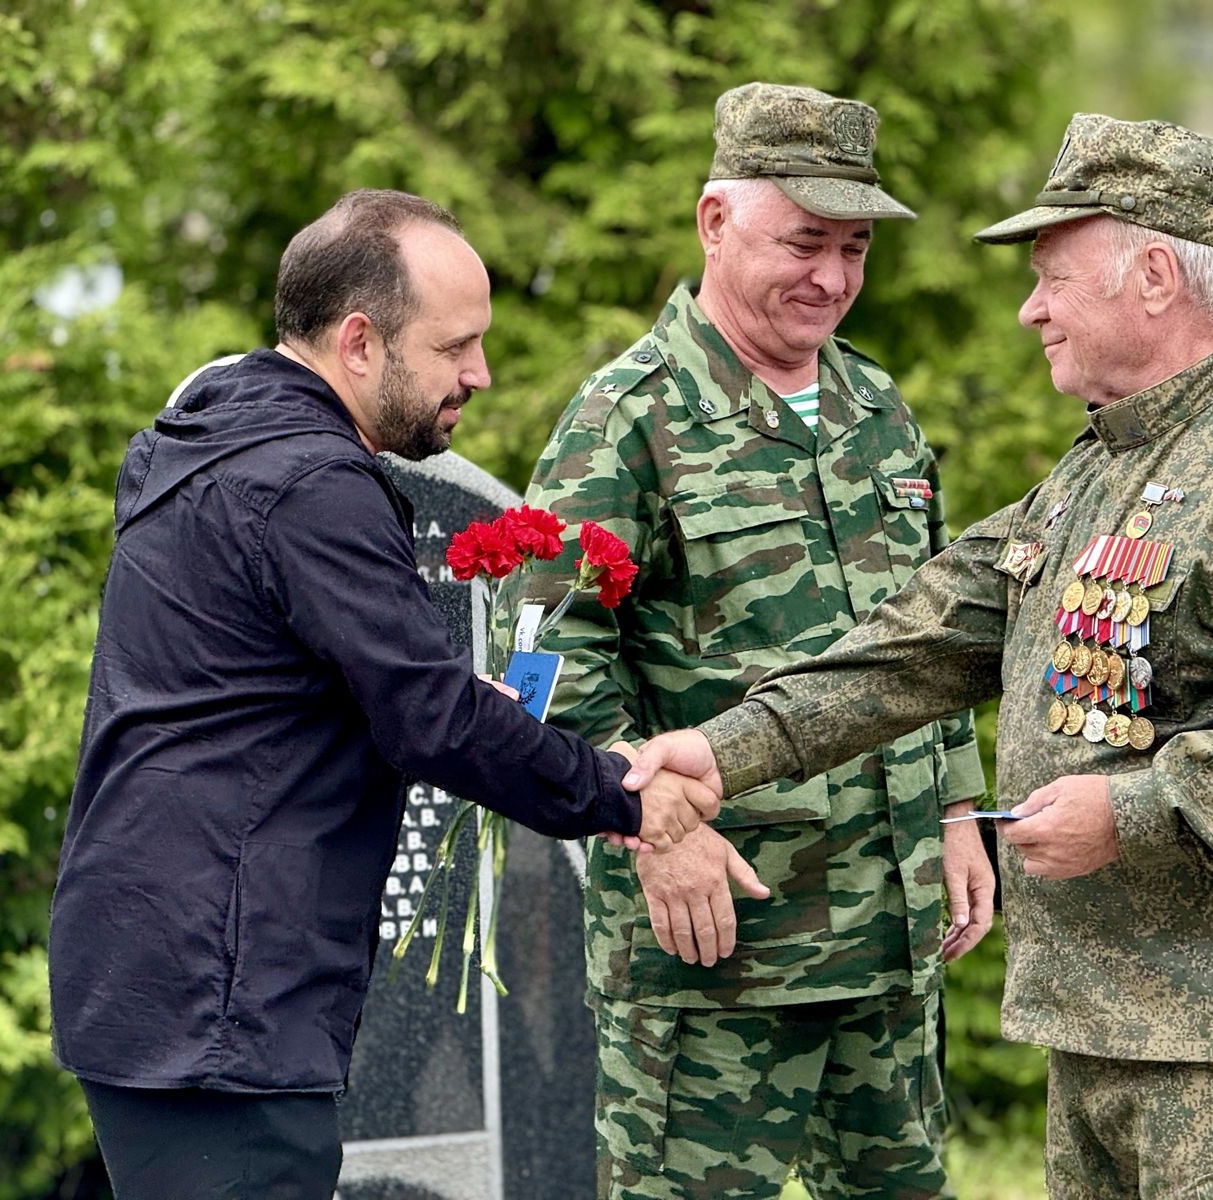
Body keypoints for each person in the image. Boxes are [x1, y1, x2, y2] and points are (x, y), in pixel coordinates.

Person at [629, 113, 1213, 1198]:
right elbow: (921, 638)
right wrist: (722, 752)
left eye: (1054, 278)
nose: (1028, 307)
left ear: (1152, 275)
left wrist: (1131, 811)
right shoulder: (1104, 466)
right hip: (1104, 1025)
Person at [48, 189, 717, 1200]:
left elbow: (256, 688)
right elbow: (432, 720)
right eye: (456, 347)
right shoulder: (309, 480)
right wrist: (624, 794)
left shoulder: (206, 444)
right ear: (360, 342)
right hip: (218, 992)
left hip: (160, 970)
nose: (479, 374)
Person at [510, 83, 993, 1200]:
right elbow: (541, 658)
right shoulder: (627, 419)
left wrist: (960, 808)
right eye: (805, 242)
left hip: (885, 934)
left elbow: (933, 631)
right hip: (716, 949)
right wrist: (649, 826)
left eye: (856, 248)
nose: (831, 278)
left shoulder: (879, 408)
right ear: (715, 222)